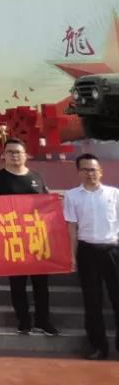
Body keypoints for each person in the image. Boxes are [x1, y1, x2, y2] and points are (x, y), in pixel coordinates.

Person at [0, 138, 58, 336]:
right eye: (10, 152)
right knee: (17, 283)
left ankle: (43, 320)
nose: (14, 155)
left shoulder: (36, 177)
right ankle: (24, 321)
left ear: (26, 155)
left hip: (37, 238)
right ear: (3, 155)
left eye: (18, 152)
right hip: (13, 237)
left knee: (41, 283)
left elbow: (46, 203)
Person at [63, 153, 119, 360]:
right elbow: (72, 228)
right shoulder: (72, 196)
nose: (90, 173)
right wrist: (73, 255)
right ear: (79, 172)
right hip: (87, 251)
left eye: (93, 169)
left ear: (101, 172)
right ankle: (98, 346)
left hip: (113, 250)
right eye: (85, 169)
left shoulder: (114, 194)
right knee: (92, 301)